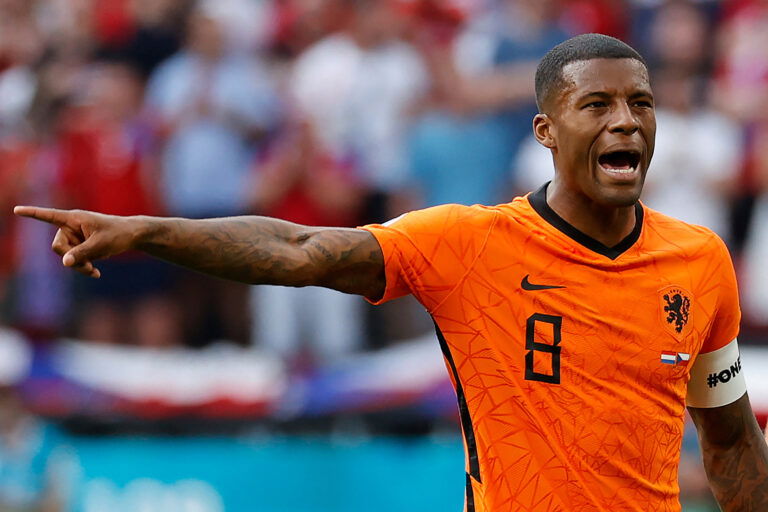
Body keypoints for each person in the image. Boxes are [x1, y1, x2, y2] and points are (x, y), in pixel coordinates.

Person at [13, 34, 768, 511]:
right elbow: (299, 250)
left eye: (640, 103)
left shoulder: (699, 261)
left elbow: (730, 441)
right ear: (544, 130)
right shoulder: (470, 243)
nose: (625, 121)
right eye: (595, 104)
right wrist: (150, 231)